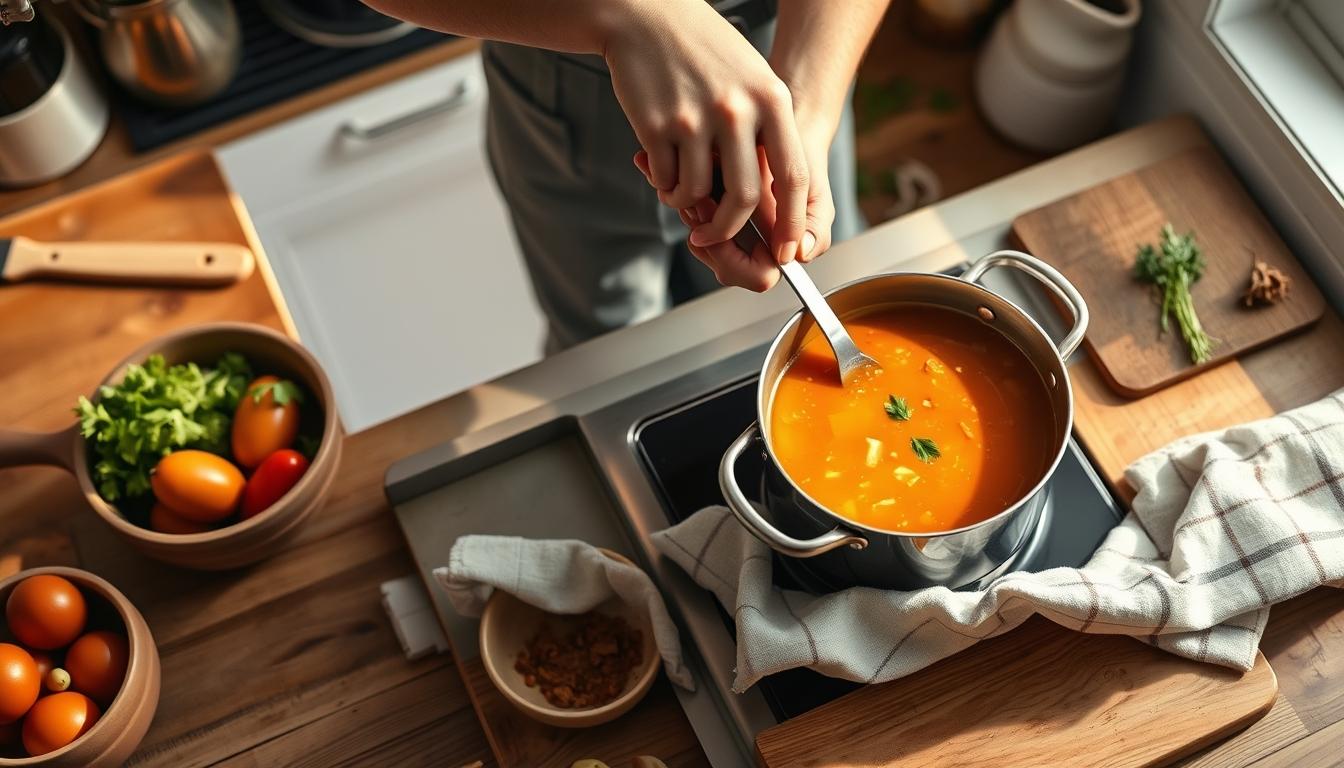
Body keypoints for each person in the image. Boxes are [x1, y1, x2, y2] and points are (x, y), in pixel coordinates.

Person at [363, 0, 890, 350]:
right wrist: (632, 13)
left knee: (837, 298)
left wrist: (808, 107)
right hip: (563, 62)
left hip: (791, 57)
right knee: (613, 350)